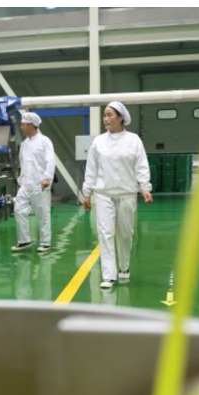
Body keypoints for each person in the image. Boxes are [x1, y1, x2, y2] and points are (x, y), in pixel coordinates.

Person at [82, 100, 153, 289]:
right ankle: (108, 276)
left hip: (127, 194)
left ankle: (124, 268)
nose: (105, 118)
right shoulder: (98, 142)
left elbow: (141, 165)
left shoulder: (133, 140)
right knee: (105, 234)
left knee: (125, 234)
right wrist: (87, 193)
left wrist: (145, 187)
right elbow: (91, 169)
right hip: (103, 194)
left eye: (109, 115)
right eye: (104, 115)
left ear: (121, 117)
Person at [11, 110, 56, 255]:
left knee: (42, 213)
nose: (21, 127)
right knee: (19, 209)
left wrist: (47, 178)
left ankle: (45, 243)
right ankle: (24, 240)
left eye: (23, 125)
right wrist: (21, 179)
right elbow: (23, 163)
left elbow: (50, 160)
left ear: (31, 125)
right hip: (26, 184)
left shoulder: (45, 141)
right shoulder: (24, 144)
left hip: (40, 183)